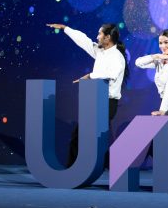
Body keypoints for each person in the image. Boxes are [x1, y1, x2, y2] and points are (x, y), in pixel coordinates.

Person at [47, 22, 127, 167]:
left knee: (98, 138)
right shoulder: (100, 51)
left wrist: (90, 76)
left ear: (107, 38)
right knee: (78, 136)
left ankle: (115, 167)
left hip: (108, 103)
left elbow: (111, 73)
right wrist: (66, 28)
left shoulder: (117, 57)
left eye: (99, 34)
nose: (97, 37)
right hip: (95, 100)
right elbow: (83, 41)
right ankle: (71, 170)